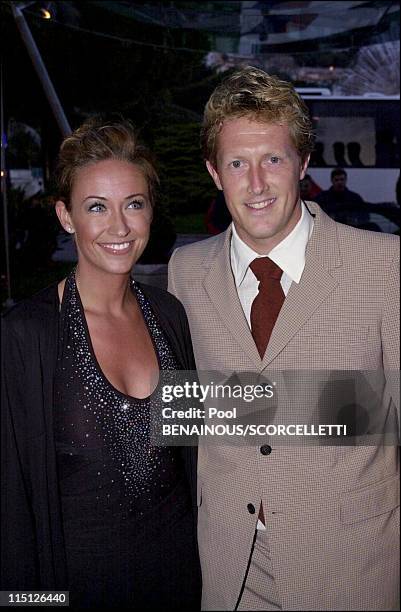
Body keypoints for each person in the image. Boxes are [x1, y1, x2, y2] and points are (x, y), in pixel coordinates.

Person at [168, 67, 399, 610]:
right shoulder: (186, 270)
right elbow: (187, 412)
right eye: (236, 163)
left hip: (351, 566)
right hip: (229, 571)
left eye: (272, 159)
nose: (255, 183)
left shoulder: (384, 265)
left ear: (303, 163)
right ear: (213, 171)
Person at [1, 119, 201, 609]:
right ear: (66, 216)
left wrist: (364, 409)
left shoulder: (169, 316)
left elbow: (205, 436)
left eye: (134, 204)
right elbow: (10, 507)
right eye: (97, 207)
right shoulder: (28, 334)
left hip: (179, 582)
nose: (119, 227)